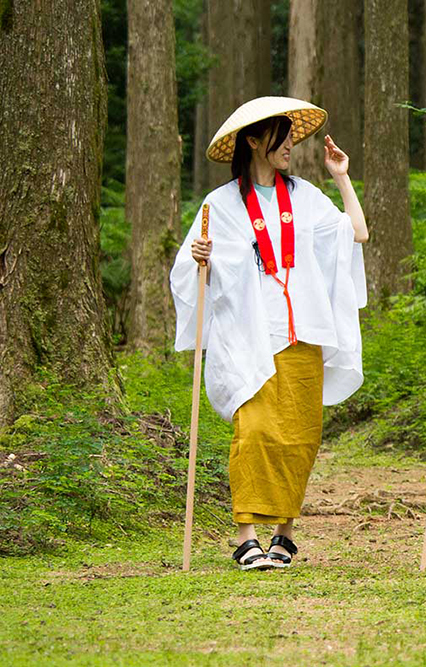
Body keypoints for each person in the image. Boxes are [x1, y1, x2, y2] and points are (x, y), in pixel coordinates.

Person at [170, 97, 369, 571]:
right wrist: (201, 258)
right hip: (249, 336)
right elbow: (191, 268)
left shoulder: (304, 197)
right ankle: (246, 538)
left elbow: (356, 233)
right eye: (282, 137)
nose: (292, 147)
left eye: (292, 137)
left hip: (304, 332)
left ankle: (284, 535)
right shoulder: (220, 204)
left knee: (300, 436)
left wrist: (341, 175)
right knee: (255, 431)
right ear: (256, 143)